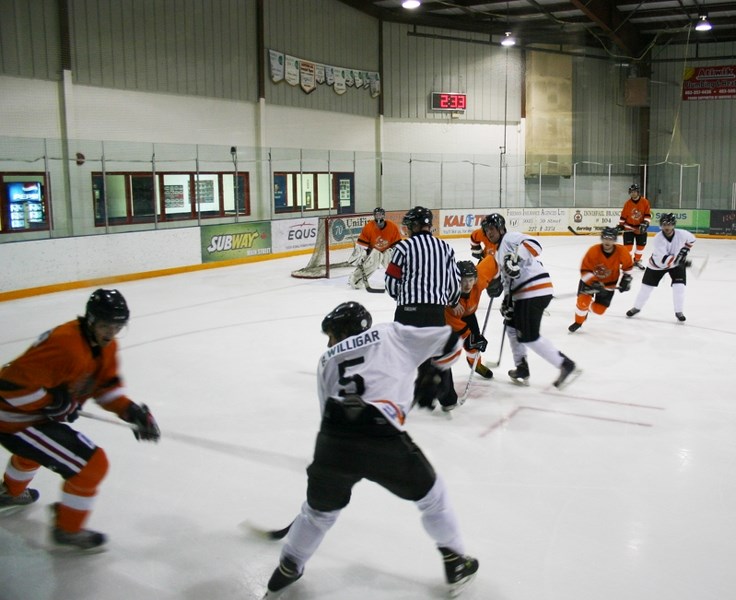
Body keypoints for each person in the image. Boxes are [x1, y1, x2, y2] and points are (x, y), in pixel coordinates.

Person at [264, 302, 478, 598]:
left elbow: (326, 411)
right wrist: (435, 372)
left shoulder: (325, 360)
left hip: (333, 438)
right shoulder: (391, 333)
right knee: (433, 497)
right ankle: (455, 561)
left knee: (317, 514)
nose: (330, 342)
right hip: (380, 433)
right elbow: (452, 341)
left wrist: (327, 466)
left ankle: (289, 565)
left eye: (333, 334)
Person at [0, 289, 160, 550]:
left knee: (38, 451)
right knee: (92, 465)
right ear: (91, 320)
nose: (111, 332)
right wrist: (54, 403)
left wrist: (131, 411)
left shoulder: (104, 347)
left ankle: (10, 492)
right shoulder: (65, 345)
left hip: (31, 416)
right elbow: (9, 388)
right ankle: (67, 529)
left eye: (118, 326)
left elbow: (105, 388)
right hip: (13, 418)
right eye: (106, 325)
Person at [482, 213, 578, 388]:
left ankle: (565, 364)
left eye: (492, 228)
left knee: (529, 336)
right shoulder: (498, 252)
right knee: (510, 326)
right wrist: (507, 300)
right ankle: (521, 367)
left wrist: (516, 259)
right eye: (487, 230)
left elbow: (535, 245)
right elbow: (508, 278)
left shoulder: (510, 238)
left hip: (533, 290)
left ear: (501, 228)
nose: (489, 232)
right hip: (522, 293)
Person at [385, 206, 461, 410]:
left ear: (416, 226)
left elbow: (391, 281)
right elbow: (455, 283)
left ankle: (400, 398)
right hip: (435, 312)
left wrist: (402, 298)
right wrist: (451, 302)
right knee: (439, 353)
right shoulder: (446, 248)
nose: (407, 229)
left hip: (407, 311)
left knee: (403, 355)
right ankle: (448, 399)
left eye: (409, 225)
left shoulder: (402, 248)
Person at [626, 213, 696, 322]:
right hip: (657, 265)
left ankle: (679, 311)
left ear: (674, 225)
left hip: (675, 264)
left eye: (669, 224)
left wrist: (685, 250)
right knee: (646, 288)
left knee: (679, 287)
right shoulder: (658, 238)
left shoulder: (682, 234)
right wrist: (679, 261)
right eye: (664, 224)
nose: (667, 227)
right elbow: (663, 259)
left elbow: (691, 240)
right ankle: (637, 307)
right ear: (661, 225)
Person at [444, 259, 503, 379]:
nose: (467, 285)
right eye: (463, 281)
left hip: (468, 314)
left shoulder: (479, 280)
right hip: (447, 322)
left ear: (475, 279)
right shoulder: (448, 296)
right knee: (450, 349)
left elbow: (492, 262)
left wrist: (497, 280)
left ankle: (475, 364)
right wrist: (468, 339)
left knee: (475, 343)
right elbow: (453, 323)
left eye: (471, 280)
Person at [568, 227, 634, 332]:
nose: (608, 241)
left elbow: (628, 267)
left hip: (609, 285)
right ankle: (578, 322)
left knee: (599, 310)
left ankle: (587, 308)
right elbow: (584, 270)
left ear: (615, 239)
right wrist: (593, 282)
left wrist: (626, 279)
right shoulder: (593, 250)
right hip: (590, 283)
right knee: (582, 302)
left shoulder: (622, 251)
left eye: (611, 238)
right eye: (605, 238)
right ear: (602, 238)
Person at [347, 207, 402, 289]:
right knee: (372, 265)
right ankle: (355, 278)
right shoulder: (368, 227)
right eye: (377, 215)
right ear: (374, 216)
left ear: (384, 215)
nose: (379, 217)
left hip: (387, 250)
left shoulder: (392, 226)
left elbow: (397, 243)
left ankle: (398, 281)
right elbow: (362, 244)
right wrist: (362, 255)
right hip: (373, 251)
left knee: (392, 265)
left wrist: (396, 254)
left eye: (380, 215)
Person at [618, 183, 652, 270]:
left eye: (635, 191)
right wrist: (621, 226)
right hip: (629, 228)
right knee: (627, 248)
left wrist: (645, 223)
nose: (633, 193)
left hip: (640, 228)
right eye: (631, 192)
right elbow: (623, 216)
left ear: (638, 192)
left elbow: (648, 215)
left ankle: (637, 261)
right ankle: (627, 262)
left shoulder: (645, 202)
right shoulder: (627, 203)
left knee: (641, 247)